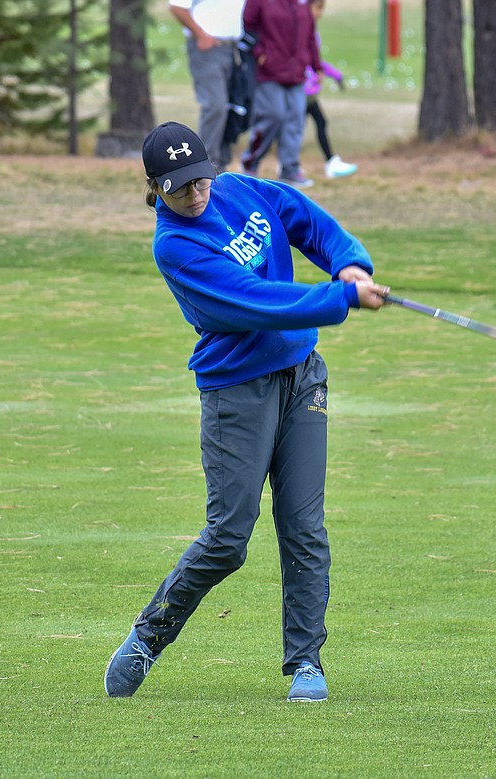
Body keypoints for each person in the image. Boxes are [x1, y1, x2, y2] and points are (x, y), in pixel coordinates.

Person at [104, 121, 390, 703]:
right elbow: (255, 302)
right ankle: (147, 636)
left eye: (200, 181)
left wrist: (347, 262)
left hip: (302, 374)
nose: (195, 195)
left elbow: (300, 213)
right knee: (229, 536)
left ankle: (306, 663)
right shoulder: (176, 248)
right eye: (178, 188)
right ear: (155, 188)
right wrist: (340, 299)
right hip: (237, 392)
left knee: (304, 526)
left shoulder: (237, 189)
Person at [239, 0, 321, 188]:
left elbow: (310, 33)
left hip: (297, 70)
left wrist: (316, 64)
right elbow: (248, 26)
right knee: (273, 116)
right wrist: (260, 53)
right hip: (269, 70)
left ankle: (290, 169)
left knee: (295, 119)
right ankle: (251, 161)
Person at [168, 0, 248, 171]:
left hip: (232, 49)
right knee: (215, 105)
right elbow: (177, 7)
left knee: (232, 106)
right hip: (208, 48)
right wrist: (201, 34)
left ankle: (221, 163)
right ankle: (205, 164)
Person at [305, 0, 357, 179]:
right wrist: (310, 78)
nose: (320, 13)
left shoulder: (311, 32)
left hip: (308, 92)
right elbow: (302, 60)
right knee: (308, 125)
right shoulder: (302, 31)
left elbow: (316, 61)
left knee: (308, 125)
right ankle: (329, 163)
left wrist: (335, 74)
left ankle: (330, 162)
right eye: (317, 8)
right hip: (302, 90)